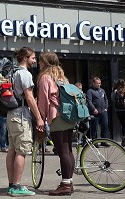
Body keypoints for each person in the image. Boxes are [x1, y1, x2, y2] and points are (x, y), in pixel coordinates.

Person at [6, 47, 44, 197]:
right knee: (21, 151)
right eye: (33, 58)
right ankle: (16, 187)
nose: (34, 61)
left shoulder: (12, 73)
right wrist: (39, 118)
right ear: (25, 58)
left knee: (12, 150)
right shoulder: (25, 74)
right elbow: (28, 97)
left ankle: (11, 185)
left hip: (11, 115)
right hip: (21, 116)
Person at [37, 52, 76, 195]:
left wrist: (40, 118)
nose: (38, 64)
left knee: (63, 152)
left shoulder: (45, 78)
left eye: (40, 61)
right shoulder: (63, 78)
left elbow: (43, 101)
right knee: (68, 150)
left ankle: (65, 184)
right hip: (68, 116)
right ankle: (69, 182)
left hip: (56, 117)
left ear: (46, 63)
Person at [86, 77, 110, 146]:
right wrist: (93, 109)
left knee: (105, 126)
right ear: (93, 83)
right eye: (97, 83)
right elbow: (89, 101)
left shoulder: (102, 90)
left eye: (99, 83)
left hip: (103, 111)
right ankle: (95, 142)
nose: (99, 85)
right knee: (94, 127)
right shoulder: (90, 91)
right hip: (95, 112)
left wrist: (106, 107)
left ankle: (104, 141)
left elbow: (106, 99)